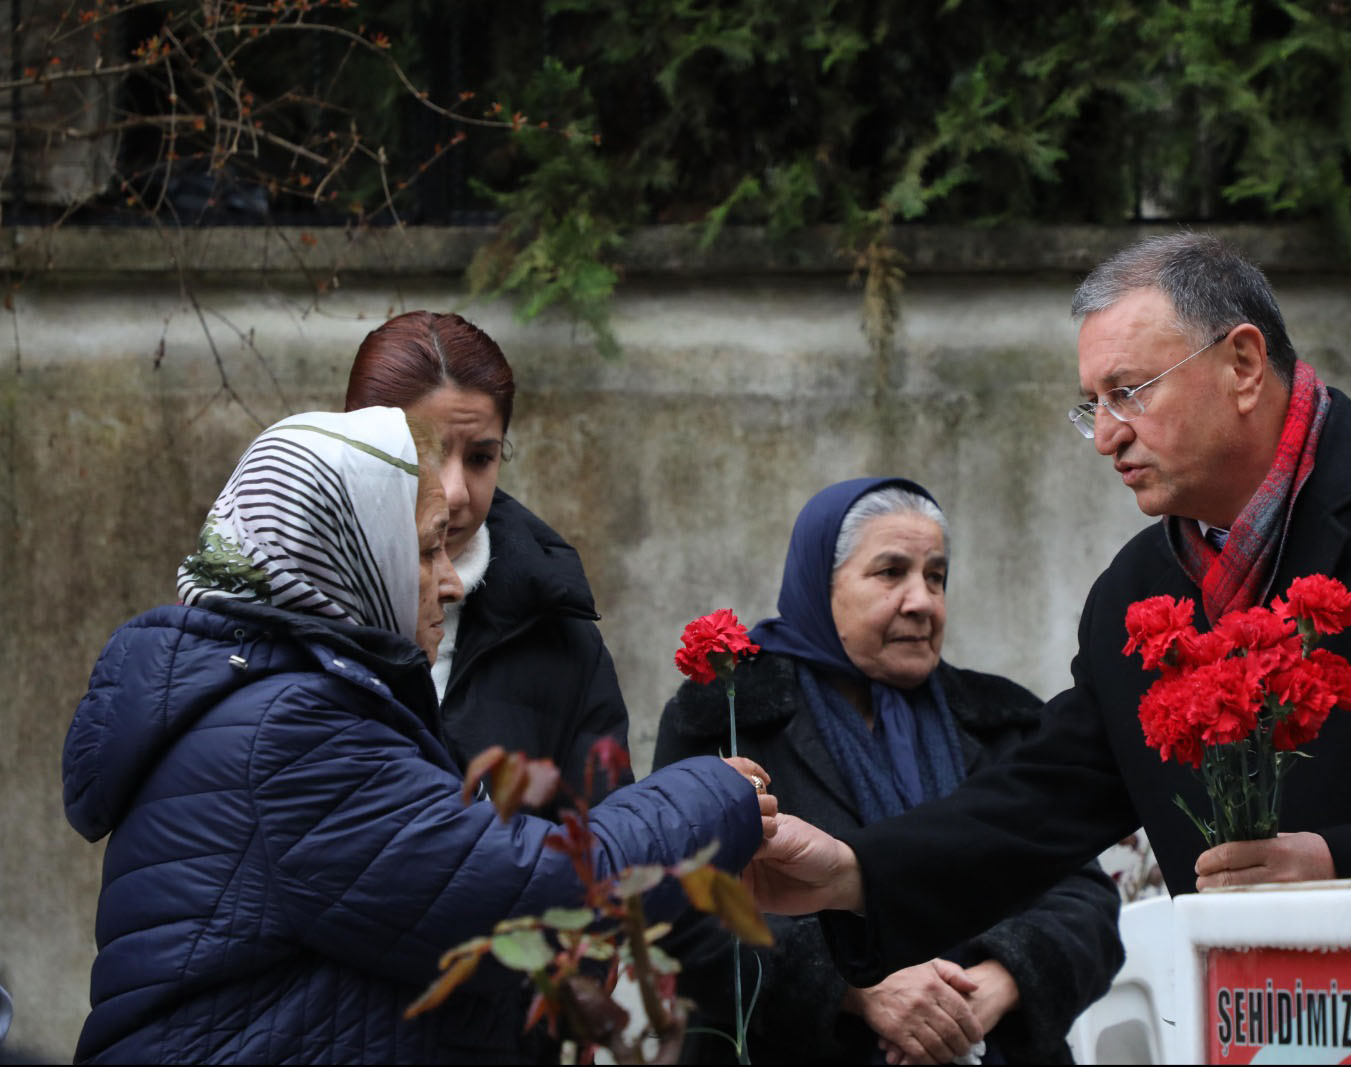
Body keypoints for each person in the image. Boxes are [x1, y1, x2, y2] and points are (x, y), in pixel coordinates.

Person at [743, 231, 1351, 985]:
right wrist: (852, 870)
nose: (1108, 433)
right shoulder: (1136, 595)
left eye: (1131, 391)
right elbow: (1044, 798)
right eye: (1092, 405)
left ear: (1243, 363)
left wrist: (1350, 865)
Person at [61, 408, 773, 1064]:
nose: (451, 581)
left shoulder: (264, 700)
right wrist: (715, 795)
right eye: (429, 548)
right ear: (348, 551)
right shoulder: (287, 729)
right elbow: (525, 893)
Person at [655, 477, 1123, 1065]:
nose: (921, 600)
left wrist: (995, 985)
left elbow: (1085, 899)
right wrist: (853, 984)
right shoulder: (729, 718)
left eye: (936, 577)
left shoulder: (1002, 722)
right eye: (890, 572)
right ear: (817, 584)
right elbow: (683, 909)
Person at [344, 311, 631, 813]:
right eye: (423, 452)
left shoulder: (558, 631)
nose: (454, 493)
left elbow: (605, 849)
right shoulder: (276, 611)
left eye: (480, 458)